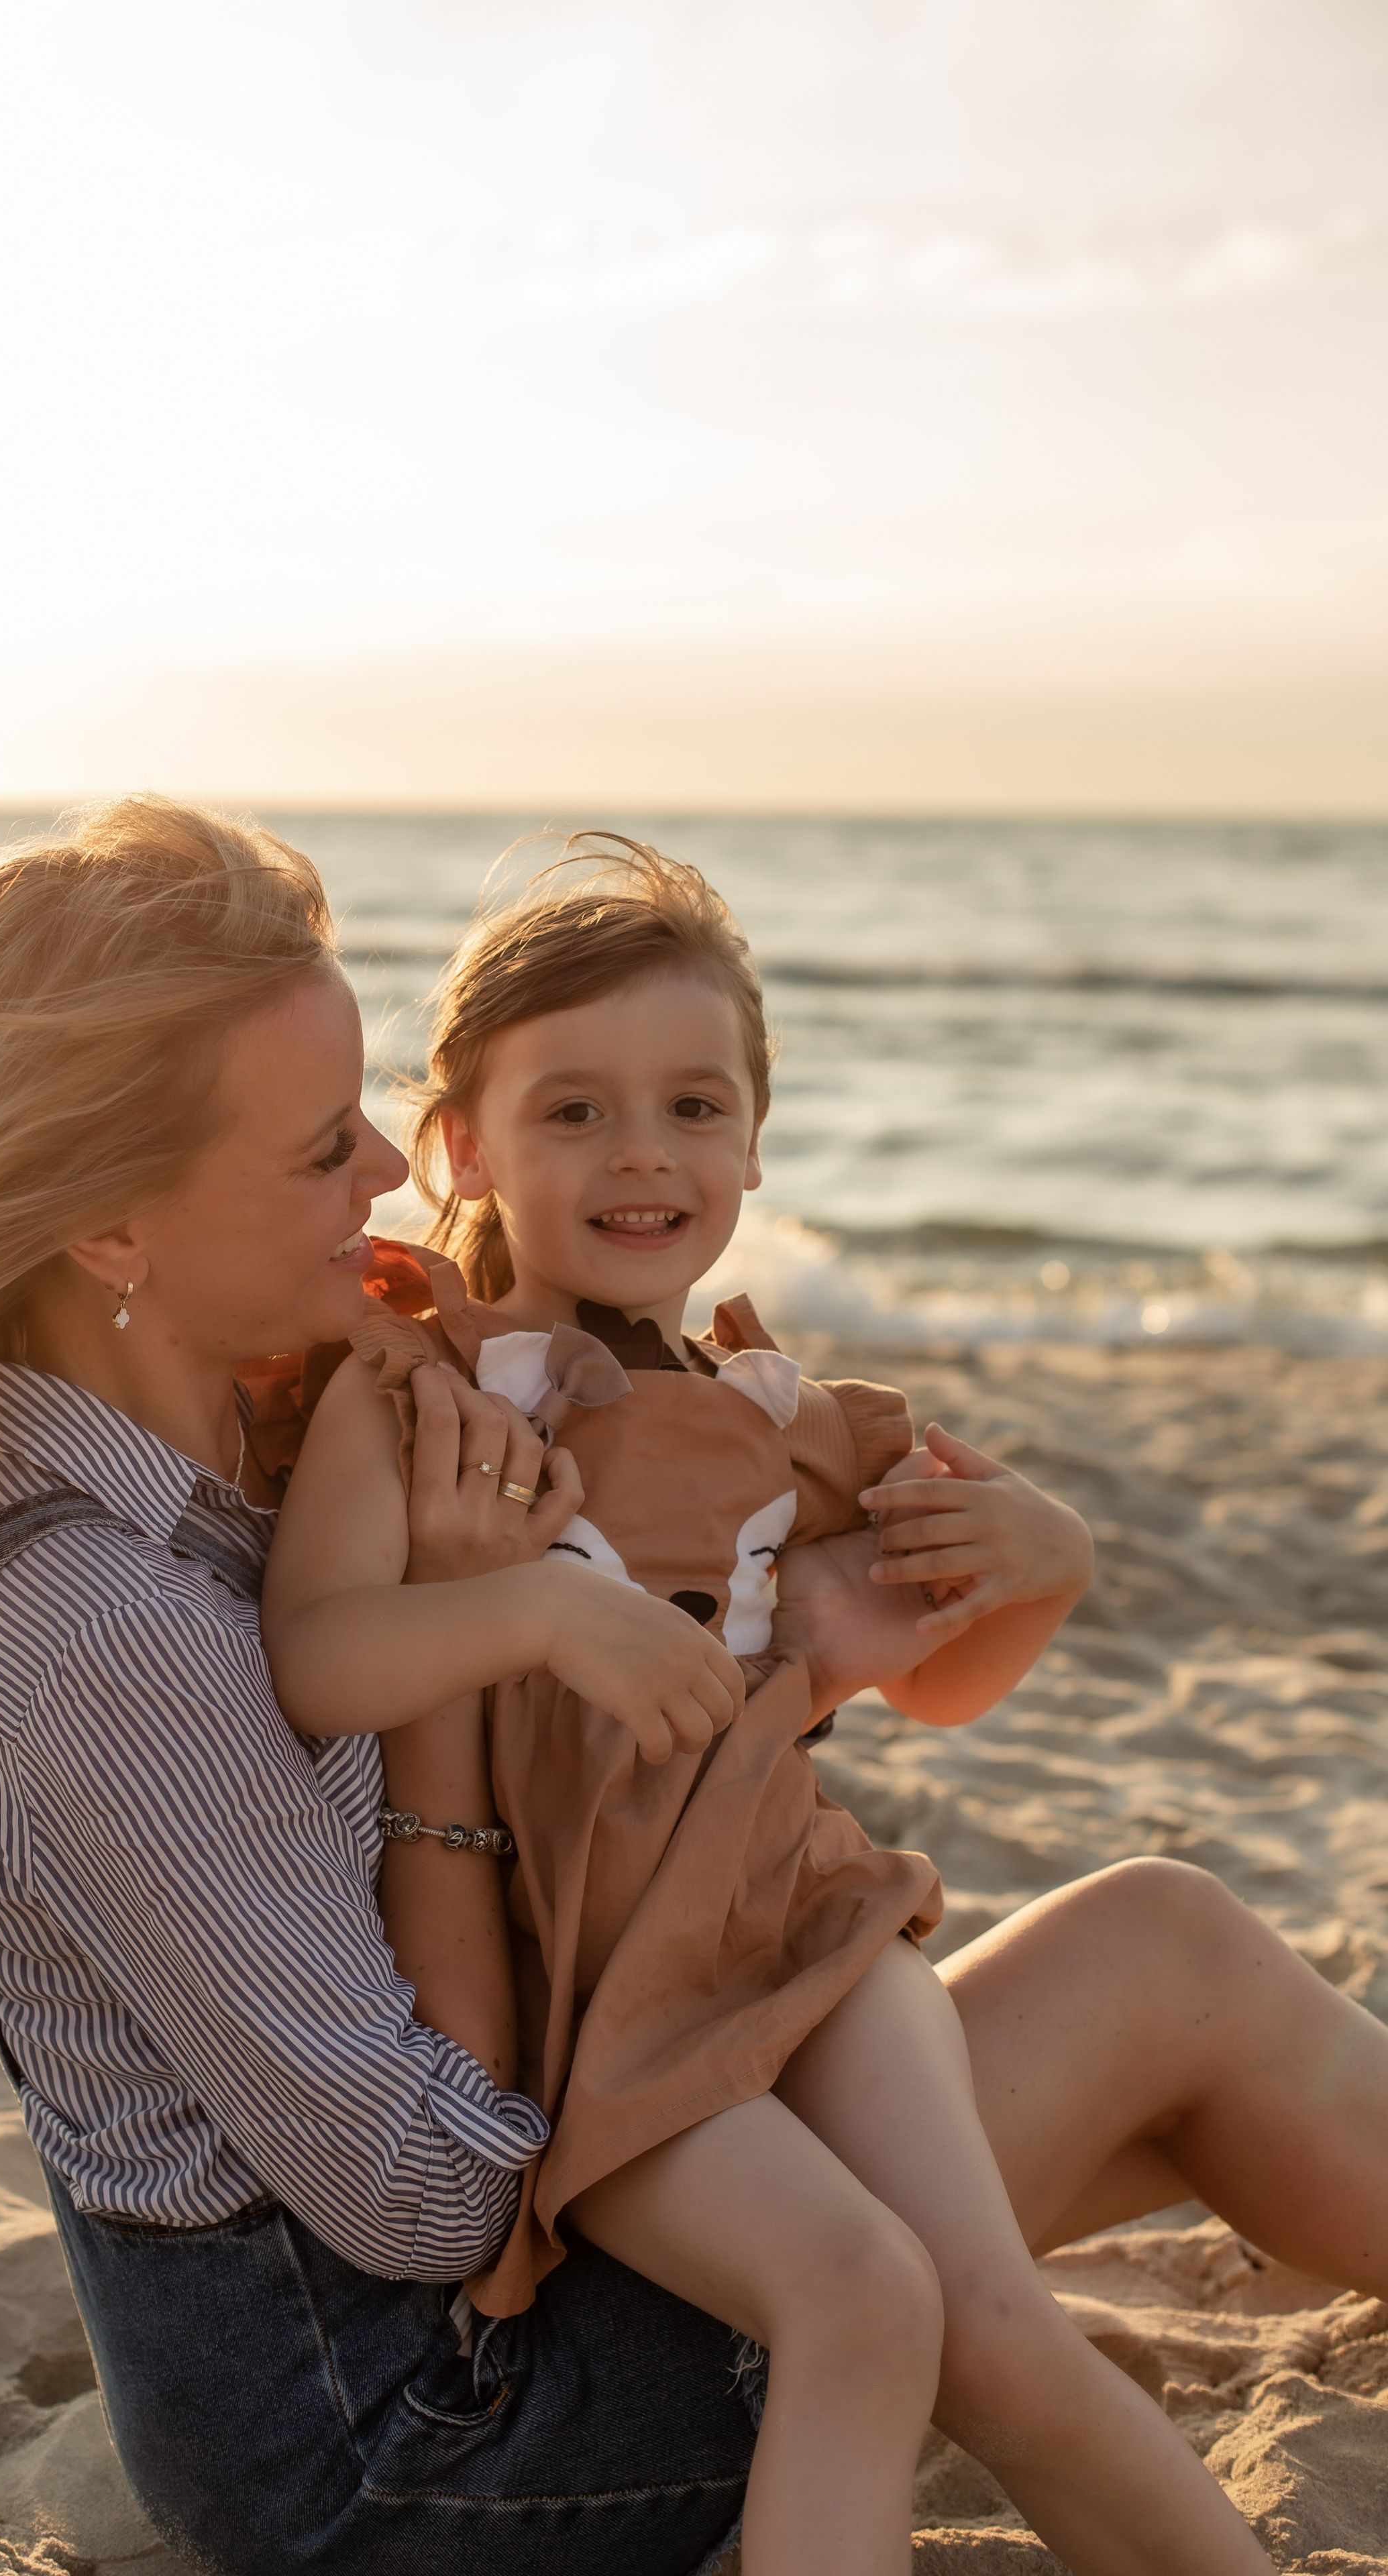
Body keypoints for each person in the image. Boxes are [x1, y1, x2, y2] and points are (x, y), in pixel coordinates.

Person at [0, 795, 1382, 2576]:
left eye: (370, 1119)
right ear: (110, 1225)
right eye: (322, 1147)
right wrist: (493, 1656)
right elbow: (431, 2200)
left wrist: (789, 1654)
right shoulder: (99, 1633)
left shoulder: (224, 1440)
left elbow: (618, 1726)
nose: (385, 1174)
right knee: (1043, 2124)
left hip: (557, 2187)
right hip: (420, 2428)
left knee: (1155, 1958)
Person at [258, 841, 1269, 2574]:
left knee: (995, 2323)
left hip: (807, 1925)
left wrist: (1053, 1565)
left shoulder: (782, 1416)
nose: (643, 1152)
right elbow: (318, 1658)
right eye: (574, 1110)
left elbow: (937, 1681)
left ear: (752, 1143)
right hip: (601, 2007)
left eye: (694, 1107)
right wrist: (532, 1610)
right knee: (862, 2301)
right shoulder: (420, 1392)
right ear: (460, 1147)